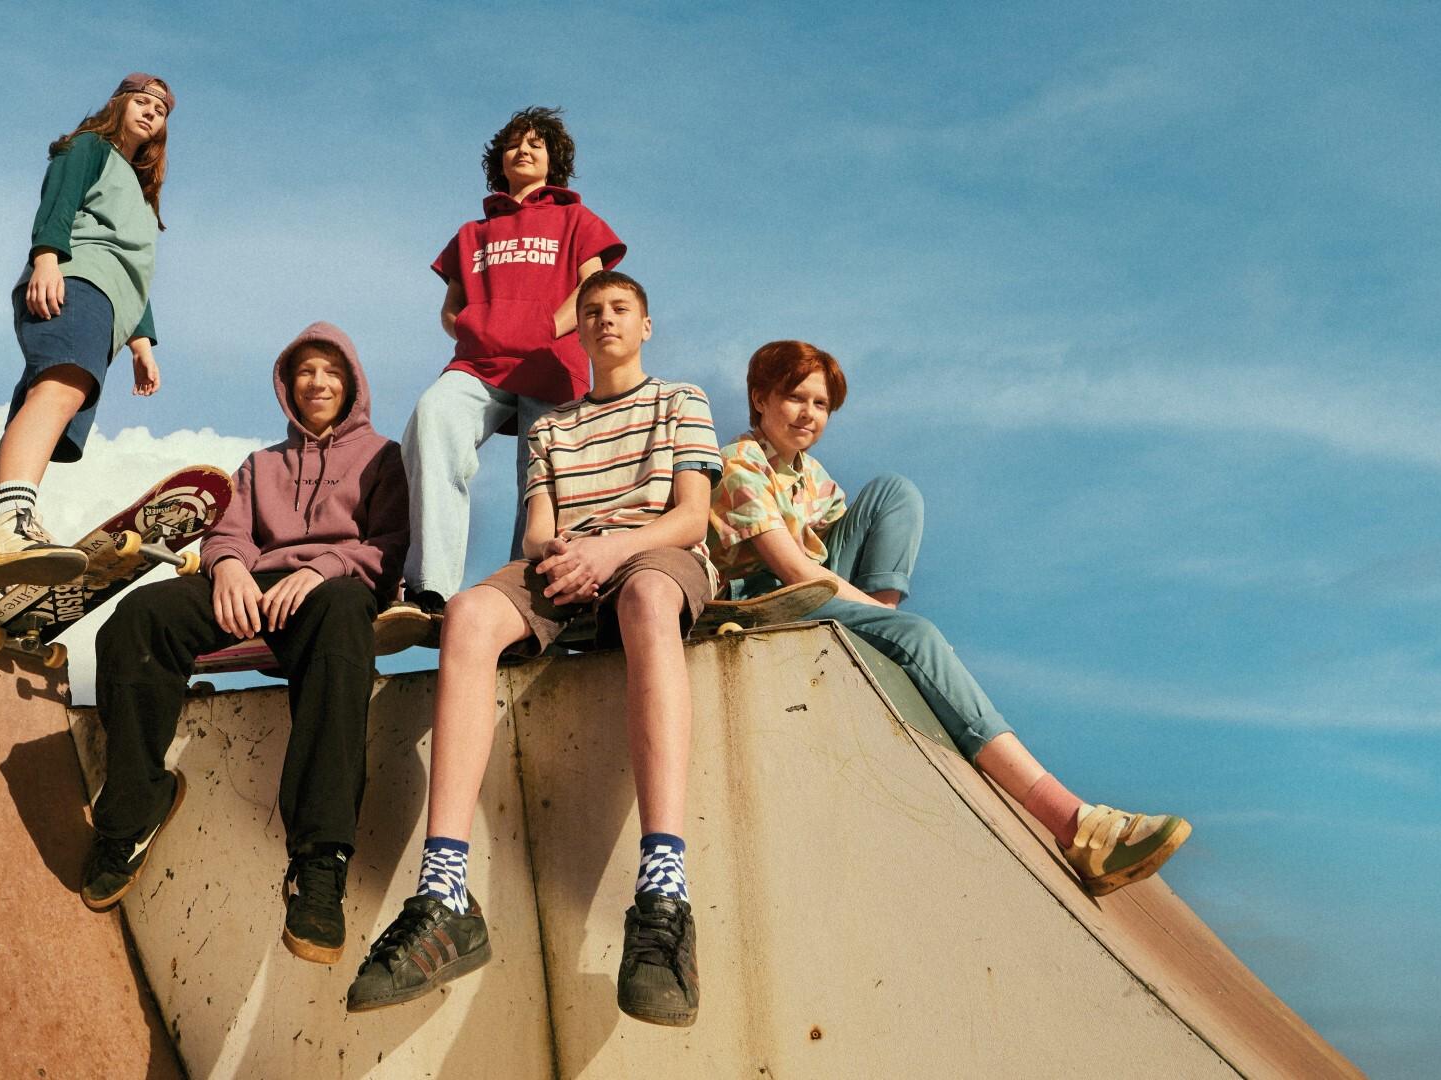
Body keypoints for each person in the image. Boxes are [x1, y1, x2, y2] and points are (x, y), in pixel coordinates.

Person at [349, 271, 715, 1028]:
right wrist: (565, 554)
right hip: (567, 565)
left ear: (645, 325)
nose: (605, 319)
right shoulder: (552, 427)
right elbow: (541, 528)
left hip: (652, 554)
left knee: (649, 598)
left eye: (620, 309)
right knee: (469, 614)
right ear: (578, 330)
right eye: (592, 311)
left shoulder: (682, 400)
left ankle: (663, 890)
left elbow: (690, 517)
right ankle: (445, 891)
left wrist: (612, 551)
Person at [707, 339, 1191, 896]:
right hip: (767, 602)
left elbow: (839, 547)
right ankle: (1077, 825)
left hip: (816, 589)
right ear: (760, 398)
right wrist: (888, 623)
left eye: (821, 404)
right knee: (918, 636)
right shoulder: (739, 461)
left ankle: (881, 638)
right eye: (796, 398)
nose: (809, 414)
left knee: (894, 491)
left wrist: (878, 614)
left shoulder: (812, 477)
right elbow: (794, 571)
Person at [79, 323, 408, 967]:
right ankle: (133, 812)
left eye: (331, 372)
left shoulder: (383, 458)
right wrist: (228, 565)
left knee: (345, 614)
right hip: (254, 590)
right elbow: (228, 531)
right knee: (140, 615)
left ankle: (319, 865)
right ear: (287, 386)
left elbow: (390, 544)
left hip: (332, 594)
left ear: (353, 385)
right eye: (305, 372)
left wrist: (324, 569)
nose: (317, 382)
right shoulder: (260, 465)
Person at [0, 73, 175, 616]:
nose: (150, 112)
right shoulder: (90, 148)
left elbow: (135, 273)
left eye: (160, 110)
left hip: (109, 306)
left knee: (31, 427)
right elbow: (59, 202)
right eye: (141, 102)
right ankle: (13, 525)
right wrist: (47, 257)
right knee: (62, 390)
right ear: (118, 104)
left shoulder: (142, 197)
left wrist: (142, 343)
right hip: (76, 282)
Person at [394, 106, 627, 618]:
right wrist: (471, 328)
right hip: (478, 363)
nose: (523, 150)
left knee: (541, 475)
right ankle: (430, 587)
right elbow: (451, 308)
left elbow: (594, 283)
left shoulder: (576, 219)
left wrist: (548, 327)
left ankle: (523, 596)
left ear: (553, 161)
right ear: (499, 159)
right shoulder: (472, 232)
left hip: (550, 360)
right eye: (514, 144)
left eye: (535, 144)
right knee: (433, 418)